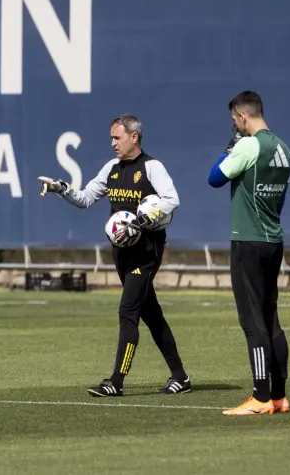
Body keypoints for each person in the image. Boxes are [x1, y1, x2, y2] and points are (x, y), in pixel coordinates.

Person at [38, 114, 191, 397]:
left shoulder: (151, 167)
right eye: (111, 138)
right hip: (121, 253)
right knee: (152, 314)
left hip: (146, 251)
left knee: (127, 312)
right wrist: (61, 188)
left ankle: (116, 382)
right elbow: (84, 199)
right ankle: (180, 376)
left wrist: (146, 220)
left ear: (134, 137)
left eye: (117, 137)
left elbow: (172, 200)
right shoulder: (112, 168)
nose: (113, 143)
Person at [208, 90, 290, 416]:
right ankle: (279, 397)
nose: (236, 126)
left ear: (243, 116)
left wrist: (229, 147)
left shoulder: (247, 145)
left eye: (235, 121)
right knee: (271, 319)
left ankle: (259, 396)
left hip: (247, 240)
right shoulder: (284, 148)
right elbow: (279, 202)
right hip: (273, 240)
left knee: (252, 321)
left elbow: (214, 178)